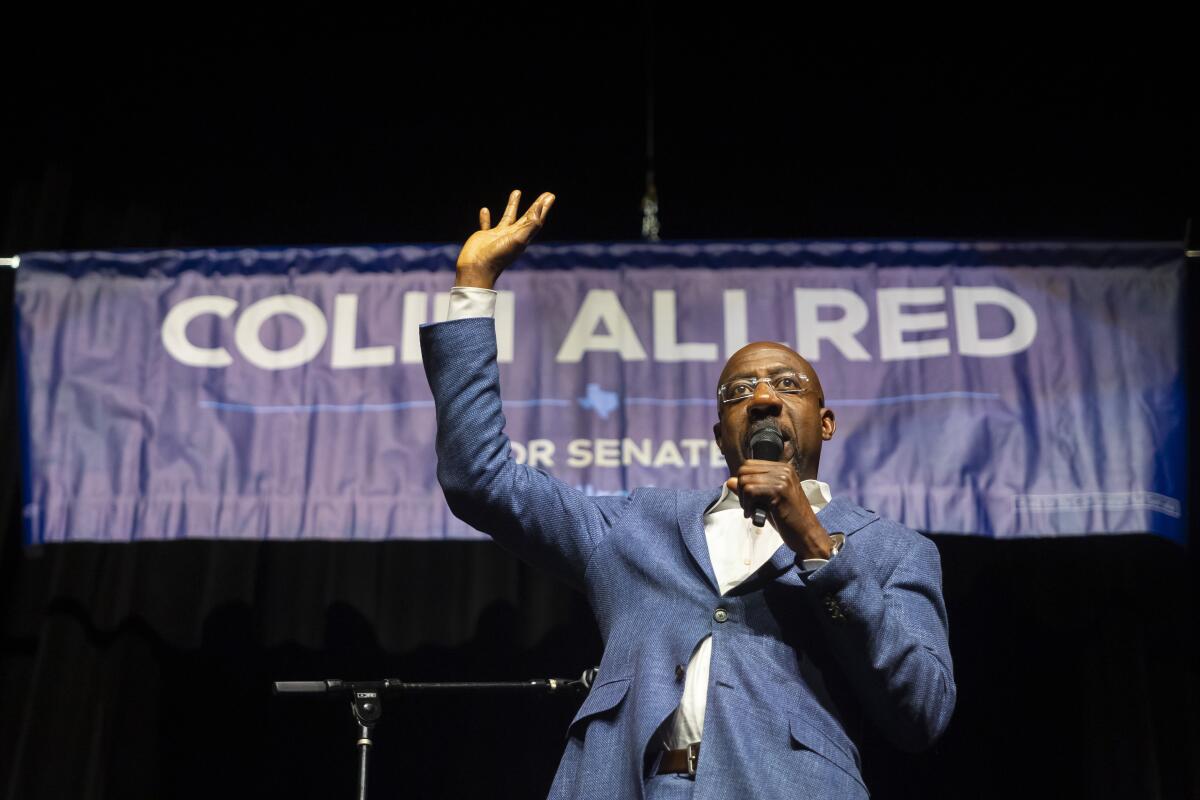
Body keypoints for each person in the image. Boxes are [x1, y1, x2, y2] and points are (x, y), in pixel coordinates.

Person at [420, 190, 955, 800]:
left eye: (787, 384)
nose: (761, 396)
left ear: (825, 422)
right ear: (718, 433)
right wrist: (473, 282)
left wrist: (813, 541)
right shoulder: (637, 525)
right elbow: (479, 478)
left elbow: (922, 713)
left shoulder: (893, 550)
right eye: (738, 390)